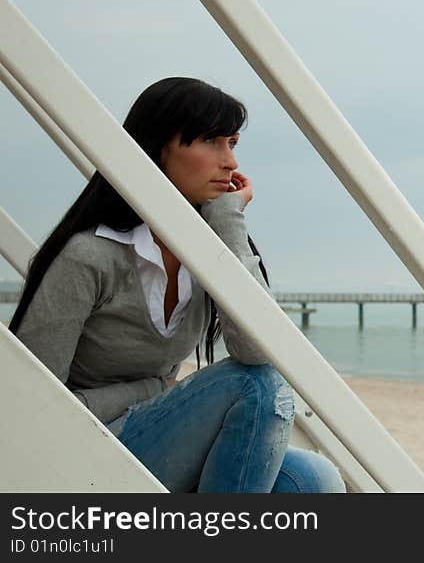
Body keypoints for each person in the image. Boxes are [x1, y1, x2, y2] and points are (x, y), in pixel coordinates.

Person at [10, 77, 345, 493]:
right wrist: (149, 388)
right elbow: (26, 404)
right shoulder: (90, 257)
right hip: (82, 453)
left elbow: (258, 349)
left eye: (233, 143)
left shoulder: (208, 252)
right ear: (158, 148)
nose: (230, 163)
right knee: (255, 386)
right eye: (210, 141)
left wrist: (228, 225)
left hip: (154, 437)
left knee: (314, 478)